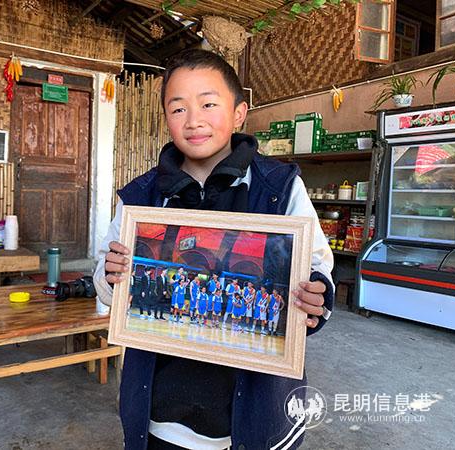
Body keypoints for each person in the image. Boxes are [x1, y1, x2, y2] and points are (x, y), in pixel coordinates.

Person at [93, 48, 334, 450]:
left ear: (239, 113)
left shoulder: (280, 188)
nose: (194, 120)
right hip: (160, 415)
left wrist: (316, 293)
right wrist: (111, 274)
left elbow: (316, 265)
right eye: (178, 108)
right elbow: (104, 281)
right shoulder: (142, 197)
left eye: (208, 104)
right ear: (166, 118)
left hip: (253, 415)